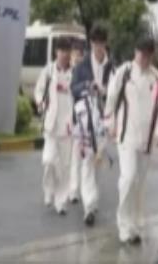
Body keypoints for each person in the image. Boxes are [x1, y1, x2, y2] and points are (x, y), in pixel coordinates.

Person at [104, 36, 158, 245]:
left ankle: (135, 225)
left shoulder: (156, 77)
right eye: (142, 53)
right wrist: (109, 122)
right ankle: (123, 225)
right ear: (135, 51)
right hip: (126, 135)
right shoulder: (124, 72)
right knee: (128, 178)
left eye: (148, 54)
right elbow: (111, 98)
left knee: (139, 183)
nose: (144, 58)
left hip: (146, 139)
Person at [70, 23, 114, 227]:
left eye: (102, 44)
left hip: (103, 120)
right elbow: (73, 88)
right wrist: (88, 85)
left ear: (105, 44)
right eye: (96, 44)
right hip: (85, 121)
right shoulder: (82, 66)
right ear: (91, 43)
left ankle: (92, 199)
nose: (99, 48)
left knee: (97, 162)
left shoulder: (112, 67)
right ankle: (89, 206)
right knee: (87, 161)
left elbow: (117, 93)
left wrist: (105, 91)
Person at [34, 37, 74, 216]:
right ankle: (49, 191)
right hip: (51, 124)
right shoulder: (48, 71)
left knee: (65, 166)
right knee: (49, 160)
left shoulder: (74, 73)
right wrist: (41, 104)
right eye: (61, 51)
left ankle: (61, 201)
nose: (64, 54)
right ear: (56, 52)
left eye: (67, 51)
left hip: (67, 126)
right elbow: (39, 91)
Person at [69, 39, 85, 204]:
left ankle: (74, 190)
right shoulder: (65, 71)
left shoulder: (83, 74)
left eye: (79, 55)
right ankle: (69, 188)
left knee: (78, 157)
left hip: (80, 121)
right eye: (74, 54)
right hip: (65, 120)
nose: (76, 58)